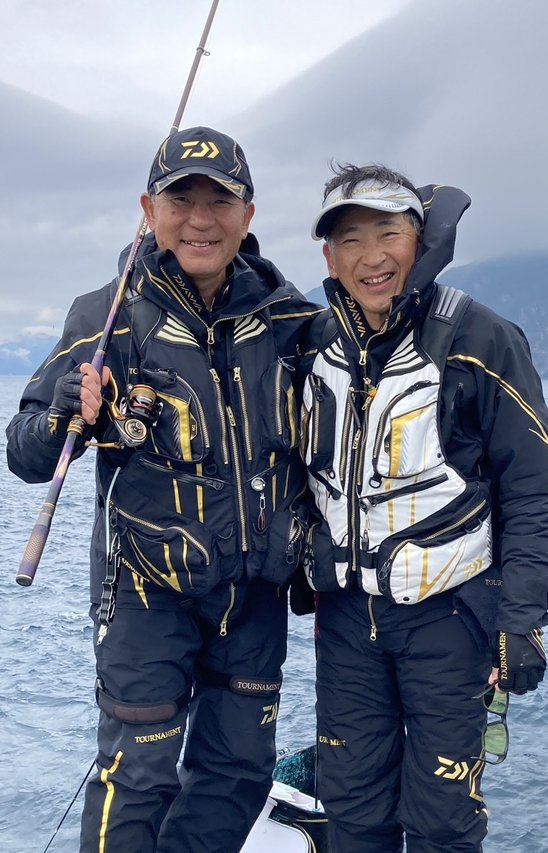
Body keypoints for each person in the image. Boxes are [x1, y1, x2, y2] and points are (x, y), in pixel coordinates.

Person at [6, 126, 322, 853]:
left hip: (254, 593)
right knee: (139, 777)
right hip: (145, 593)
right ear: (149, 210)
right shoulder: (105, 314)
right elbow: (24, 453)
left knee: (240, 773)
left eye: (221, 201)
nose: (200, 219)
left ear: (249, 215)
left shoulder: (289, 318)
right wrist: (64, 409)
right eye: (181, 200)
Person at [298, 163, 548, 852]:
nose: (371, 257)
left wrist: (522, 618)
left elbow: (532, 487)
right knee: (351, 807)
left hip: (450, 616)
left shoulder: (482, 337)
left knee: (445, 818)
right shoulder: (312, 344)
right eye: (351, 239)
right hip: (346, 620)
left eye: (388, 233)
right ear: (329, 257)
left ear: (421, 240)